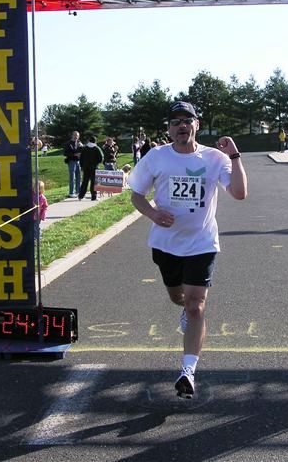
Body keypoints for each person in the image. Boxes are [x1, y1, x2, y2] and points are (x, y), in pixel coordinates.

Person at [128, 101, 247, 398]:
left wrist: (235, 154)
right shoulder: (156, 157)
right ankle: (184, 309)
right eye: (175, 121)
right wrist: (154, 214)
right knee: (177, 297)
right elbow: (136, 195)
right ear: (168, 128)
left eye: (187, 120)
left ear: (197, 124)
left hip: (202, 243)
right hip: (165, 244)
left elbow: (240, 193)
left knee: (196, 305)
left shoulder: (215, 157)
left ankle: (188, 372)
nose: (181, 126)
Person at [78, 135, 103, 201]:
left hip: (86, 168)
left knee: (84, 182)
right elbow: (101, 158)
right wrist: (96, 163)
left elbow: (81, 158)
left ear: (89, 141)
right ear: (95, 141)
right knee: (93, 183)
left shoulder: (84, 148)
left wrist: (82, 166)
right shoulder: (96, 148)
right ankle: (93, 196)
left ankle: (81, 196)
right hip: (94, 168)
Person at [64, 131, 83, 198]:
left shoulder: (79, 143)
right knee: (72, 177)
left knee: (79, 176)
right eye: (75, 135)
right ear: (72, 135)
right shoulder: (68, 144)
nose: (76, 137)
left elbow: (82, 151)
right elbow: (65, 153)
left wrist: (82, 149)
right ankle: (71, 192)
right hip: (71, 161)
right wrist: (75, 154)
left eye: (77, 136)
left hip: (78, 161)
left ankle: (78, 191)